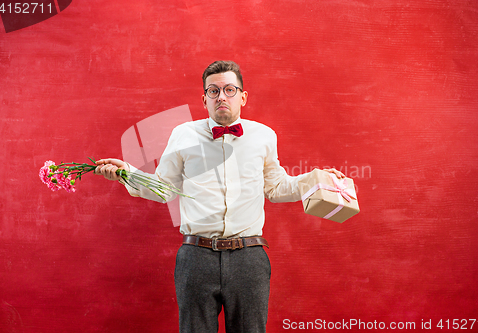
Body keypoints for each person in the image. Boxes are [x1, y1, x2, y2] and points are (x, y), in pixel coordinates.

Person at [95, 60, 344, 333]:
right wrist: (126, 173)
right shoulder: (183, 134)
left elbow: (276, 187)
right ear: (204, 99)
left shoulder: (264, 136)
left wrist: (316, 179)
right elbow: (164, 188)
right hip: (196, 257)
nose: (221, 96)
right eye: (213, 91)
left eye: (229, 89)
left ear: (243, 96)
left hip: (249, 257)